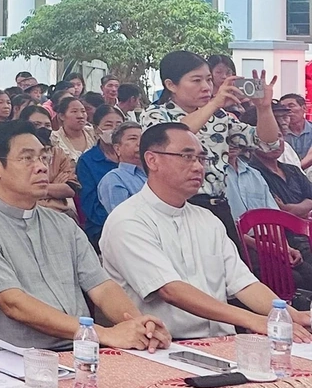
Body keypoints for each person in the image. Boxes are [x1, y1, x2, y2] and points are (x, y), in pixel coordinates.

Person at [0, 120, 170, 351]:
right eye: (27, 158)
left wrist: (138, 325)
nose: (42, 167)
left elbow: (102, 287)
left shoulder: (63, 224)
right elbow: (14, 304)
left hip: (82, 350)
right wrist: (101, 334)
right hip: (15, 357)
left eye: (43, 157)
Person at [102, 123, 312, 342]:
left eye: (201, 159)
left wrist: (288, 316)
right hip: (164, 345)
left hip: (223, 343)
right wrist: (252, 320)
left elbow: (243, 283)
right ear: (152, 160)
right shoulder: (128, 220)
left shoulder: (207, 219)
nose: (198, 167)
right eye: (186, 157)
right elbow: (170, 290)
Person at [136, 50, 279, 246]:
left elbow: (266, 141)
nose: (206, 87)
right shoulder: (155, 114)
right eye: (196, 80)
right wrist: (215, 103)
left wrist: (264, 109)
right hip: (178, 207)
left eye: (209, 80)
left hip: (219, 206)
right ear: (171, 85)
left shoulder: (219, 116)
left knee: (229, 271)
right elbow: (176, 135)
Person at [75, 105, 126, 245]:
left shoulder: (133, 157)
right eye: (108, 125)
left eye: (119, 125)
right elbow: (90, 205)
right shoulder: (87, 161)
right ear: (97, 129)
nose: (114, 129)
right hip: (102, 227)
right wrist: (119, 223)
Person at [98, 122, 148, 216]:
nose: (140, 143)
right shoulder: (114, 179)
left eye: (143, 138)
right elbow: (124, 218)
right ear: (117, 149)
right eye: (133, 139)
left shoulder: (156, 172)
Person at [277, 94, 312, 168]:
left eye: (291, 105)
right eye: (283, 107)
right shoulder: (279, 134)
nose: (287, 110)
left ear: (304, 108)